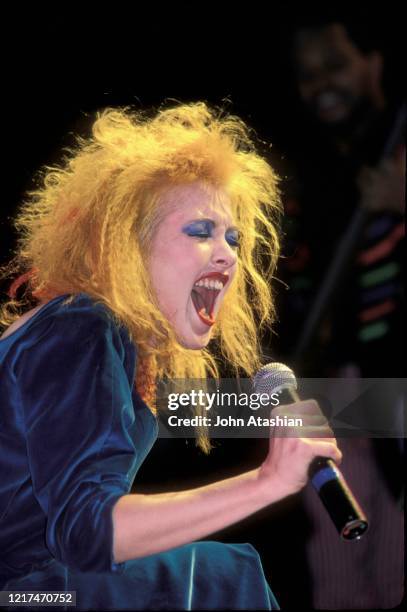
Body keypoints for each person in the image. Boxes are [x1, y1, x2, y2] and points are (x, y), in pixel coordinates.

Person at [0, 103, 342, 611]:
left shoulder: (87, 335)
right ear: (127, 243)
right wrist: (268, 481)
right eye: (200, 232)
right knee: (220, 580)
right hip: (25, 594)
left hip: (34, 585)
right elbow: (87, 533)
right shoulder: (82, 324)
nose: (228, 254)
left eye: (233, 237)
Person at [271, 20, 404, 609]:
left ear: (374, 61)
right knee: (340, 547)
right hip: (339, 387)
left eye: (336, 63)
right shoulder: (312, 171)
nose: (322, 83)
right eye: (308, 73)